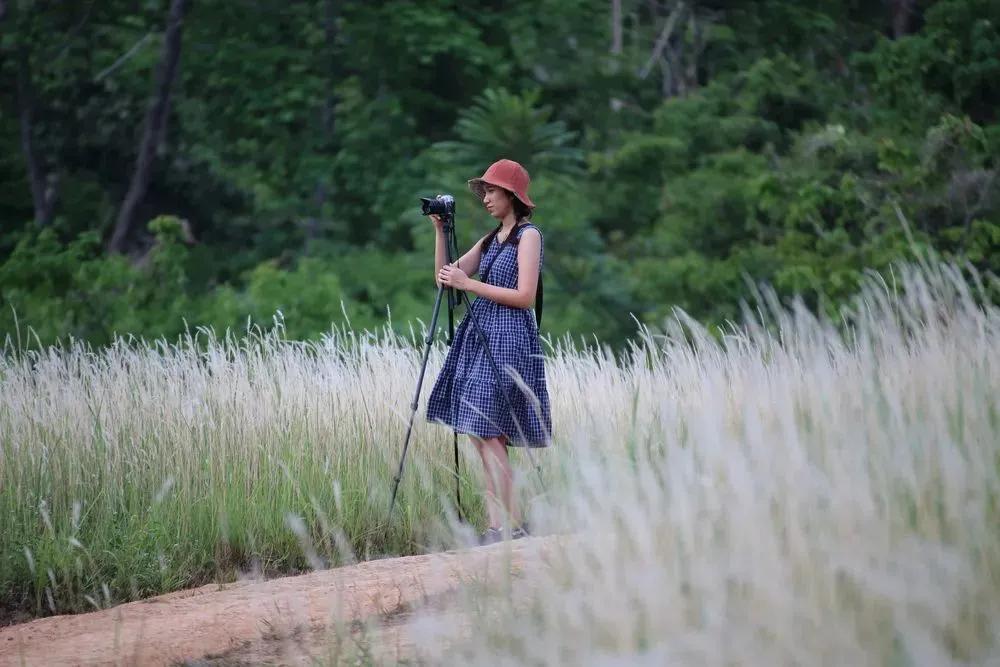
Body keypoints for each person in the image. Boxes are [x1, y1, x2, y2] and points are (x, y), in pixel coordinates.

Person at [425, 158, 552, 546]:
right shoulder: (491, 238)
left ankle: (510, 526)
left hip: (510, 337)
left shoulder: (528, 236)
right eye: (484, 191)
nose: (486, 198)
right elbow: (445, 278)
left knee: (490, 432)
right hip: (482, 337)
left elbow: (526, 297)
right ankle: (498, 527)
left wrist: (472, 285)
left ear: (512, 196)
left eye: (492, 191)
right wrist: (441, 233)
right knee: (480, 432)